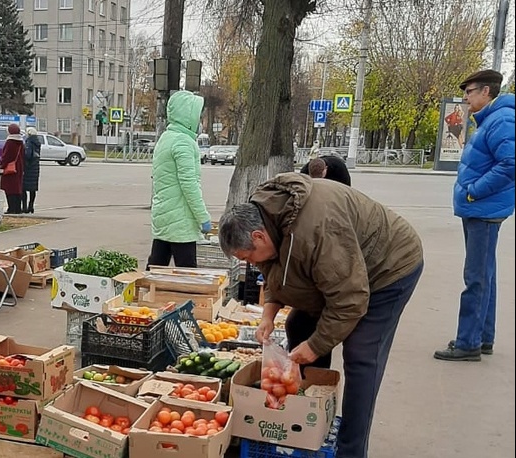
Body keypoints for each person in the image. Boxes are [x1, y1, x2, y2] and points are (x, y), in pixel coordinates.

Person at [217, 173, 423, 458]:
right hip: (342, 272)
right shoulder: (266, 219)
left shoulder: (317, 231)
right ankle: (310, 412)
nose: (250, 263)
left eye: (247, 257)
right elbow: (274, 270)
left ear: (258, 236)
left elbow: (350, 300)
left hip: (387, 270)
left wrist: (316, 347)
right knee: (298, 324)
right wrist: (268, 314)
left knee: (361, 354)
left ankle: (351, 451)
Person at [434, 69, 515, 362]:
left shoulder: (501, 119)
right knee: (484, 274)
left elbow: (510, 163)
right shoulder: (492, 119)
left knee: (476, 277)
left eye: (469, 92)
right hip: (482, 208)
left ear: (486, 92)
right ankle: (483, 337)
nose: (466, 99)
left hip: (484, 208)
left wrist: (475, 191)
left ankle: (468, 342)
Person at [148, 90, 212, 268]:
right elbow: (189, 185)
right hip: (180, 220)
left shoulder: (166, 138)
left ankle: (143, 287)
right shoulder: (183, 142)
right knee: (187, 273)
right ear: (188, 117)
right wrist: (203, 217)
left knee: (156, 267)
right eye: (198, 117)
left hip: (163, 215)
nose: (200, 122)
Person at [0, 123, 25, 214]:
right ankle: (18, 208)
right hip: (19, 167)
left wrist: (2, 166)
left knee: (9, 189)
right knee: (17, 188)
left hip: (10, 169)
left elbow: (6, 156)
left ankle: (11, 208)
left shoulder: (10, 142)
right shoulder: (21, 142)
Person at [22, 127, 42, 214]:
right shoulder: (37, 142)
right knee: (32, 189)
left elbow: (28, 155)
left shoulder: (29, 141)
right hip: (35, 167)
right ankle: (31, 206)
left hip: (28, 167)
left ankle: (24, 207)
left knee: (23, 188)